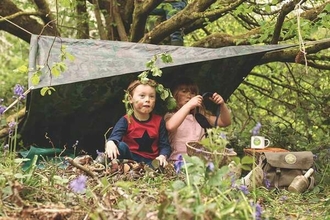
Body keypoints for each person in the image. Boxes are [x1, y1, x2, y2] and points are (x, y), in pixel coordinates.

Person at [105, 79, 171, 167]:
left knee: (160, 165)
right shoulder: (126, 120)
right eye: (142, 96)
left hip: (150, 162)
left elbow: (165, 145)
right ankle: (122, 167)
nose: (147, 100)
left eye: (151, 96)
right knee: (120, 146)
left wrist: (162, 156)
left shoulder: (159, 121)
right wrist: (110, 143)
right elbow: (115, 136)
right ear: (130, 99)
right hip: (129, 159)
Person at [164, 77, 232, 161]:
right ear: (175, 95)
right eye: (184, 91)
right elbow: (170, 126)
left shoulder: (200, 116)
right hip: (179, 161)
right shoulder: (171, 115)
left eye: (192, 93)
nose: (189, 95)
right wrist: (189, 105)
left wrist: (222, 104)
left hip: (200, 163)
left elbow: (225, 122)